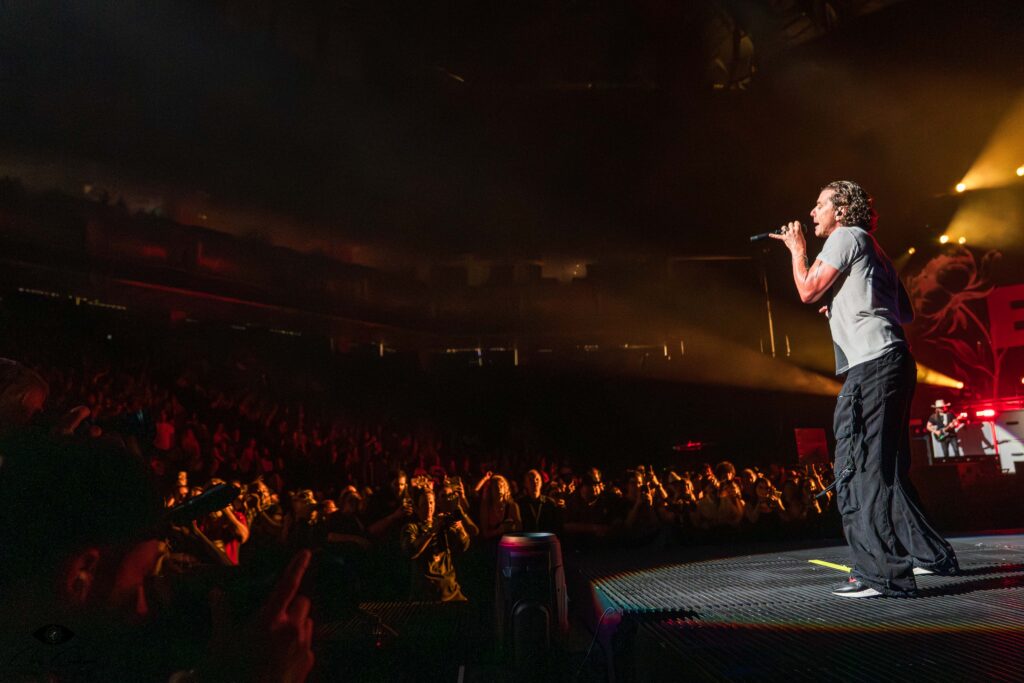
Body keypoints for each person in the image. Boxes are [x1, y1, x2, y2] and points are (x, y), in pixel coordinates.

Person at [772, 180, 958, 598]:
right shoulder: (873, 247)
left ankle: (881, 575)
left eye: (819, 204)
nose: (812, 211)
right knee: (887, 470)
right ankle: (930, 557)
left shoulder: (843, 237)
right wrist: (844, 299)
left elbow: (805, 290)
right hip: (893, 361)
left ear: (840, 210)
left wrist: (798, 251)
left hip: (872, 367)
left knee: (857, 469)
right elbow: (904, 311)